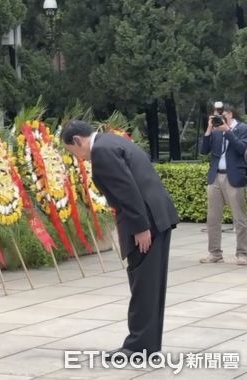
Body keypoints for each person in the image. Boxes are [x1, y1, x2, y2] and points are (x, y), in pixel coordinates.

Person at [62, 120, 179, 360]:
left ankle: (137, 346)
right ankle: (147, 344)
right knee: (151, 284)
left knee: (144, 284)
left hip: (148, 223)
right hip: (158, 217)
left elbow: (127, 191)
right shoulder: (112, 141)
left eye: (72, 151)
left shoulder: (102, 151)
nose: (77, 158)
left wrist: (141, 227)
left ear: (77, 141)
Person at [200, 102, 247, 266]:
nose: (219, 118)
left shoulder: (242, 129)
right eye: (216, 116)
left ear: (230, 114)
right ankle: (214, 253)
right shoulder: (215, 130)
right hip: (215, 178)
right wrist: (208, 129)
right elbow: (203, 151)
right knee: (213, 218)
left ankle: (242, 253)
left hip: (234, 177)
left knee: (239, 218)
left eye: (222, 115)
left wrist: (227, 131)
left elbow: (242, 149)